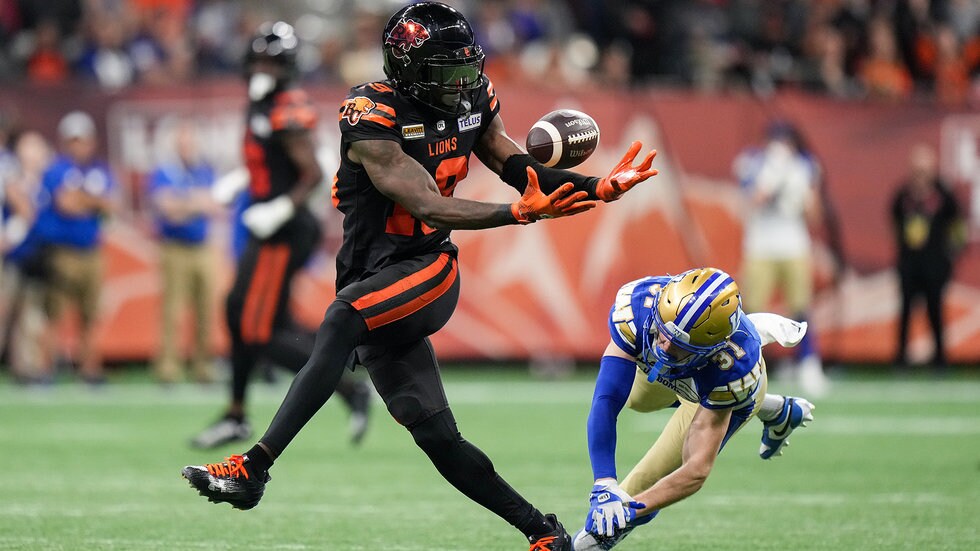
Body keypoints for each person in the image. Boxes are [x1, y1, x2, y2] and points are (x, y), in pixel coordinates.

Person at [180, 4, 657, 550]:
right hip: (374, 274)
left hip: (427, 269)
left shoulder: (473, 95)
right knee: (437, 437)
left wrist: (596, 188)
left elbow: (514, 164)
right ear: (406, 68)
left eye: (465, 70)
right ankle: (543, 532)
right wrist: (515, 214)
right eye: (446, 72)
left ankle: (254, 466)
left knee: (341, 319)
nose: (460, 85)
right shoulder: (371, 114)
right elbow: (427, 202)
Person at [189, 21, 373, 449]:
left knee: (257, 329)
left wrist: (279, 207)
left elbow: (310, 172)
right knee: (240, 313)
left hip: (285, 229)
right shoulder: (260, 104)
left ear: (287, 67)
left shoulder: (287, 106)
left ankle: (348, 388)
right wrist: (243, 180)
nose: (262, 69)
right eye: (257, 60)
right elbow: (271, 162)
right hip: (267, 224)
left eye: (271, 62)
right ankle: (236, 413)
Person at [570, 268, 815, 550]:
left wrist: (629, 511)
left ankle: (759, 401)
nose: (662, 346)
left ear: (712, 347)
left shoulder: (733, 369)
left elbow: (695, 469)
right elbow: (607, 399)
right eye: (662, 333)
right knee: (636, 398)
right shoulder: (640, 305)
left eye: (677, 346)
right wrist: (603, 481)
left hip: (715, 391)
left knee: (642, 481)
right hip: (686, 376)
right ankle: (776, 409)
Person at [733, 120, 830, 397]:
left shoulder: (804, 166)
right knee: (751, 310)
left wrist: (799, 191)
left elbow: (815, 215)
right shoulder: (752, 162)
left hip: (793, 244)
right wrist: (772, 177)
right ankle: (744, 367)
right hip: (760, 245)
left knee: (800, 307)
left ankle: (809, 365)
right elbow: (753, 199)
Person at [35, 110, 117, 384]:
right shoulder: (56, 169)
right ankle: (45, 369)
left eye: (82, 140)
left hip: (91, 252)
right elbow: (65, 205)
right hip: (62, 253)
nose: (78, 146)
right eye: (73, 140)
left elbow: (111, 204)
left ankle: (89, 369)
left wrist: (84, 200)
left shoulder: (99, 169)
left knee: (92, 315)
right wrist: (93, 201)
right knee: (54, 313)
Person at [147, 120, 220, 384]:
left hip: (202, 247)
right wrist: (196, 202)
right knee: (173, 310)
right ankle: (168, 366)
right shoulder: (165, 171)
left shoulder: (204, 170)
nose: (187, 147)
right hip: (174, 248)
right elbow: (167, 209)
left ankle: (203, 366)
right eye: (182, 143)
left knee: (206, 310)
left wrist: (185, 203)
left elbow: (215, 205)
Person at [890, 143, 964, 370]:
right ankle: (901, 358)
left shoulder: (944, 196)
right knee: (905, 311)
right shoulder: (903, 196)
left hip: (935, 264)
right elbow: (894, 224)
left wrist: (950, 255)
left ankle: (940, 359)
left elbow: (958, 227)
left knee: (935, 310)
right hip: (910, 264)